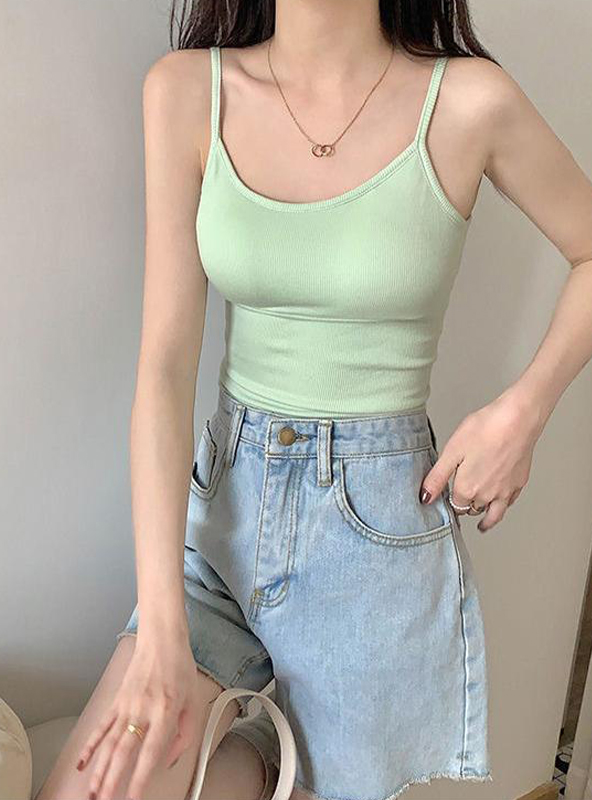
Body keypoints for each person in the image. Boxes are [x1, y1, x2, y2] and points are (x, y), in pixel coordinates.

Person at [37, 1, 592, 799]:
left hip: (376, 540)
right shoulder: (188, 91)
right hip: (226, 517)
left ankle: (282, 768)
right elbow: (164, 368)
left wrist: (524, 413)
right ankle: (271, 762)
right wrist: (160, 631)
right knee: (95, 791)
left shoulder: (469, 103)